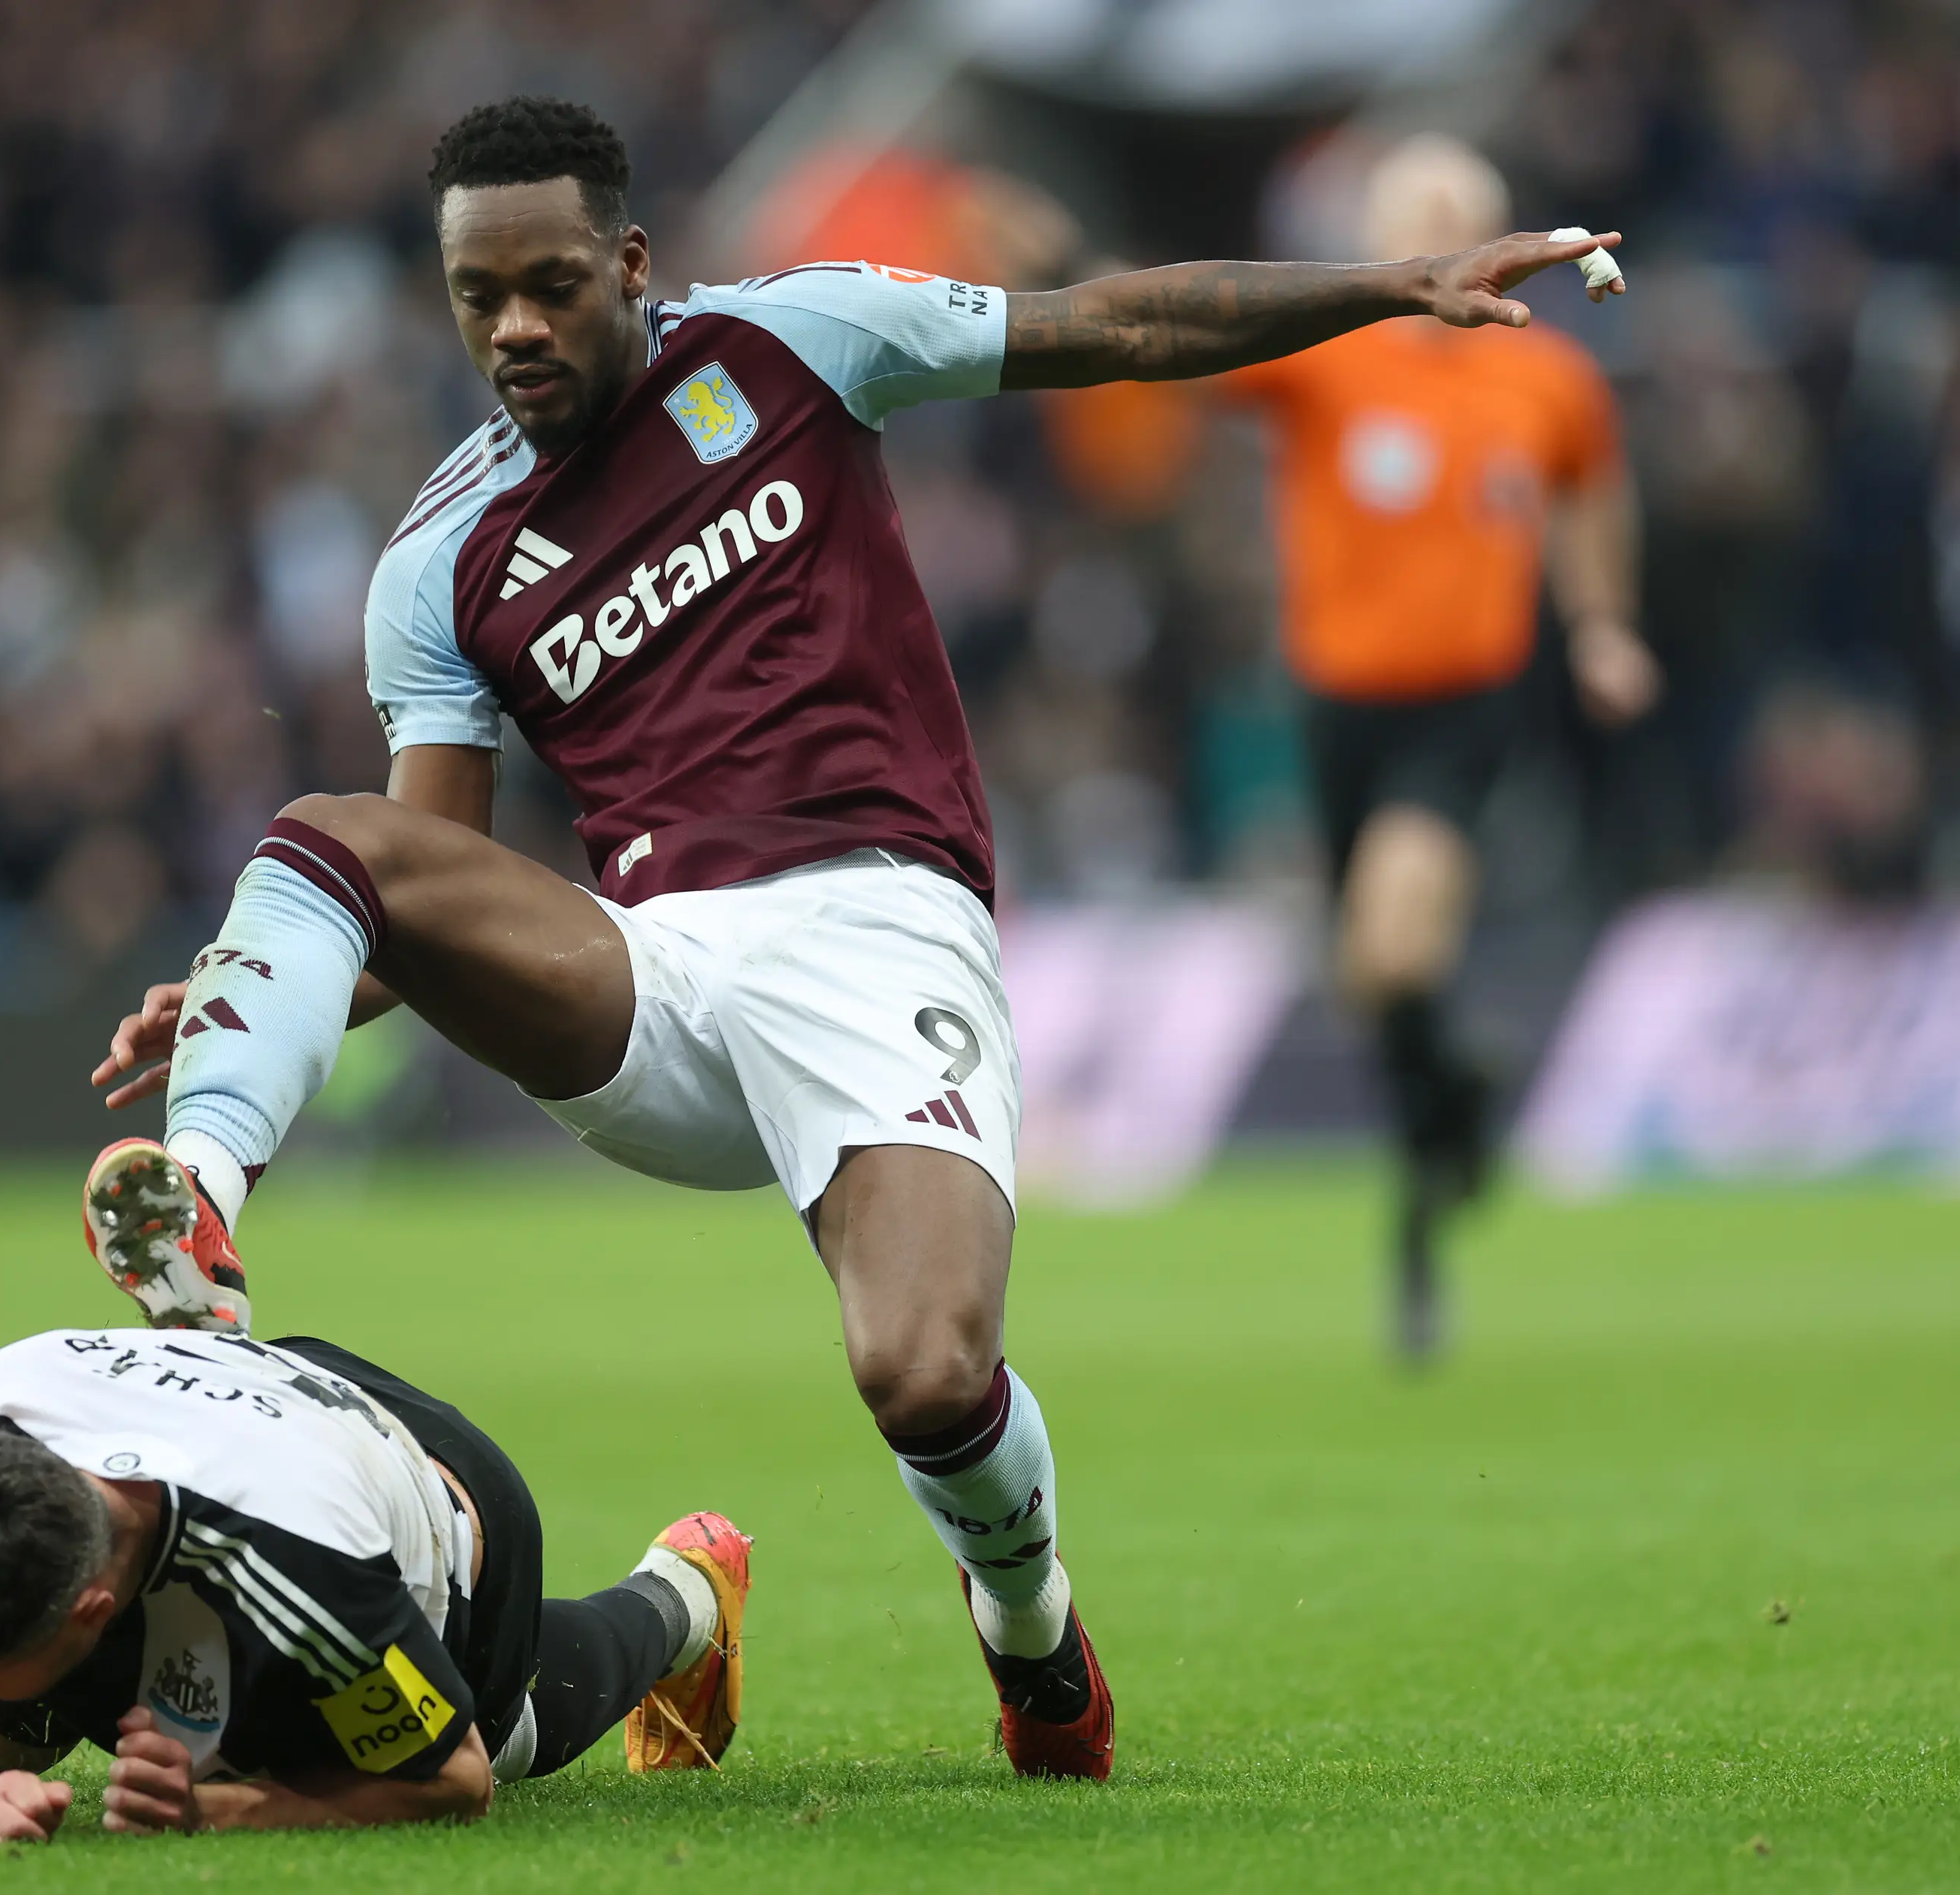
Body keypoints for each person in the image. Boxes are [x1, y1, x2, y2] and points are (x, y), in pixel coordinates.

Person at [80, 95, 1620, 1779]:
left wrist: (1397, 283)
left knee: (924, 1372)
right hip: (653, 975)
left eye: (549, 285)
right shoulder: (439, 559)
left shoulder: (793, 342)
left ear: (630, 264)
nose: (513, 328)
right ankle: (200, 1212)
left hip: (880, 930)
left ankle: (1032, 1634)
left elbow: (1118, 326)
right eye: (477, 298)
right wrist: (264, 976)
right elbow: (422, 888)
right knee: (327, 840)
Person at [1219, 134, 1656, 1363]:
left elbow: (1592, 491)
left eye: (1461, 217)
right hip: (1334, 706)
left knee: (1396, 945)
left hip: (1465, 704)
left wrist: (1602, 624)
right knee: (1373, 975)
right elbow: (1197, 351)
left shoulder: (1550, 380)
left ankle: (1437, 1163)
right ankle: (1448, 1135)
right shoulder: (1329, 359)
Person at [0, 1325, 751, 1842]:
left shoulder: (303, 1581)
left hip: (435, 1519)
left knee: (490, 1744)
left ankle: (683, 1595)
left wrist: (220, 1809)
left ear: (91, 1613)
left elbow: (447, 1785)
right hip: (235, 1416)